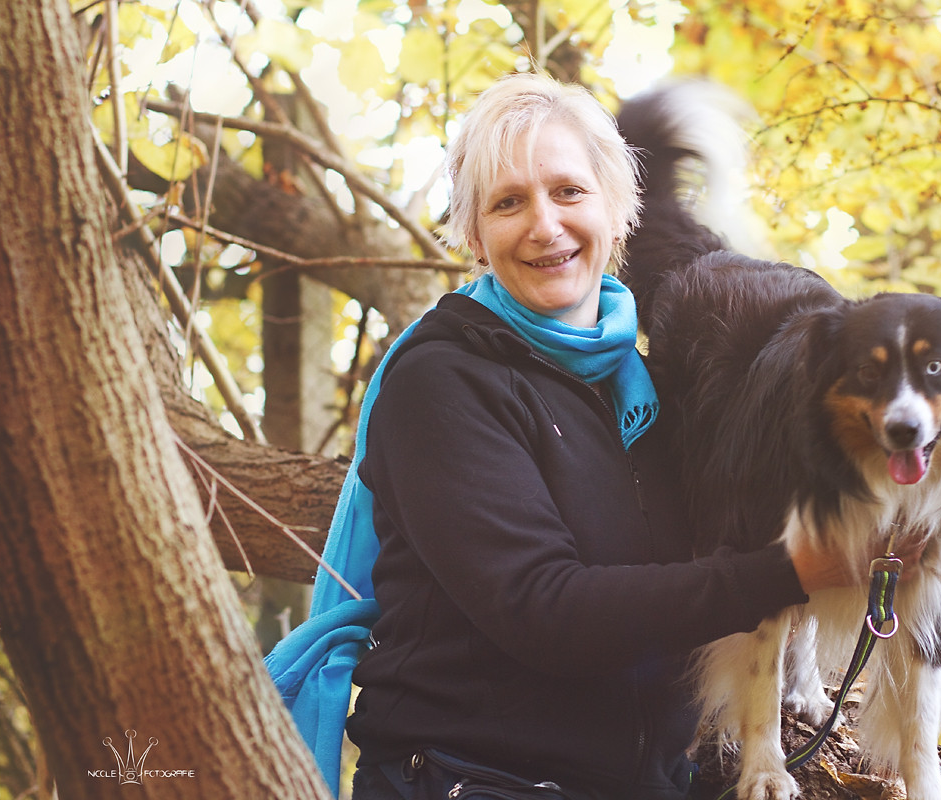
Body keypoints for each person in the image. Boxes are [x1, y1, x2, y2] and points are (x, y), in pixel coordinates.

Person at [273, 72, 882, 800]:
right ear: (473, 235)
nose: (543, 225)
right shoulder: (441, 382)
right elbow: (544, 611)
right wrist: (794, 573)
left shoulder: (655, 385)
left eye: (568, 192)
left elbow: (715, 559)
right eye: (508, 202)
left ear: (619, 209)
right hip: (471, 779)